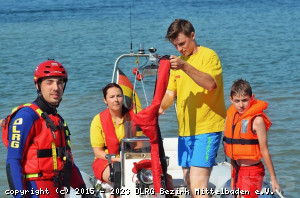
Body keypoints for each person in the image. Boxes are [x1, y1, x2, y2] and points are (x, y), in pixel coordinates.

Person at [159, 19, 226, 198]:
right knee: (189, 182)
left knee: (198, 185)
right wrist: (158, 108)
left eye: (182, 43)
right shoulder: (178, 63)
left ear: (192, 35)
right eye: (176, 46)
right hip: (186, 131)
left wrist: (185, 66)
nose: (180, 49)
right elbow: (170, 94)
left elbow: (211, 84)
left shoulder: (209, 56)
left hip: (207, 128)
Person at [4, 60, 87, 198]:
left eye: (60, 82)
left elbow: (68, 164)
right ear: (38, 85)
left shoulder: (58, 120)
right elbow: (13, 161)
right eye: (49, 82)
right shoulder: (26, 116)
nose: (56, 87)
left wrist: (84, 192)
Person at [223, 79, 281, 198]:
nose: (241, 105)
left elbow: (265, 151)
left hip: (252, 171)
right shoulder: (232, 116)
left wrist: (273, 179)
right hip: (236, 169)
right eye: (237, 101)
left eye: (245, 100)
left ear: (251, 98)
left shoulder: (257, 121)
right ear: (231, 100)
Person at [90, 83, 135, 197]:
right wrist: (117, 159)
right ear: (105, 100)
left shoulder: (132, 117)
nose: (116, 100)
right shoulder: (98, 120)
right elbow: (97, 152)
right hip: (105, 161)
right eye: (112, 97)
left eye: (119, 96)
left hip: (129, 158)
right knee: (118, 175)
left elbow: (140, 143)